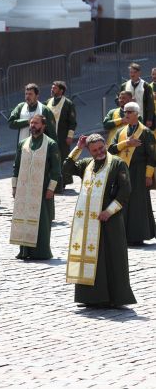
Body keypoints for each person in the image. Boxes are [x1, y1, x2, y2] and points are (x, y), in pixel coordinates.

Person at [63, 134, 136, 308]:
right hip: (89, 222)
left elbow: (125, 191)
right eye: (94, 150)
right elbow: (66, 168)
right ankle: (90, 297)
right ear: (90, 151)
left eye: (101, 148)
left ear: (105, 145)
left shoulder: (118, 164)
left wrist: (109, 211)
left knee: (110, 259)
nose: (99, 152)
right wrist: (78, 148)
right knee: (92, 259)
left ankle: (113, 298)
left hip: (110, 221)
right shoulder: (86, 164)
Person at [10, 115, 61, 260]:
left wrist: (51, 188)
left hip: (42, 189)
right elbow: (16, 165)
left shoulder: (51, 144)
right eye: (31, 123)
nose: (33, 125)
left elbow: (56, 169)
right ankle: (24, 251)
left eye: (36, 123)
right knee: (23, 218)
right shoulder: (23, 143)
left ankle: (41, 252)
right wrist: (14, 186)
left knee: (42, 221)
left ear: (43, 126)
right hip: (24, 189)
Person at [108, 102, 156, 245]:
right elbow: (111, 149)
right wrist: (126, 144)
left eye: (129, 112)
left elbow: (152, 156)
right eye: (125, 112)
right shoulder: (120, 132)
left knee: (137, 203)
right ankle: (122, 234)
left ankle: (137, 235)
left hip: (139, 172)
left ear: (136, 114)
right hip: (122, 172)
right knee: (122, 200)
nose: (126, 114)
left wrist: (148, 175)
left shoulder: (146, 132)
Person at [45, 81, 77, 191]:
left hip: (62, 136)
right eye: (52, 87)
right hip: (49, 136)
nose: (52, 89)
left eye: (55, 88)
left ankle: (63, 181)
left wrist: (70, 136)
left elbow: (72, 122)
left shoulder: (68, 104)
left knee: (62, 158)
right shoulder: (48, 102)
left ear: (61, 90)